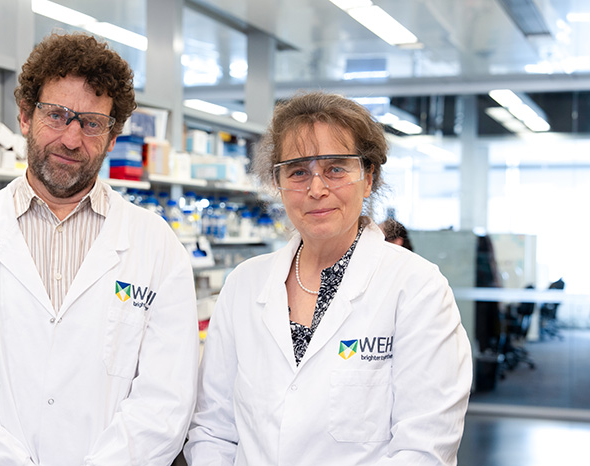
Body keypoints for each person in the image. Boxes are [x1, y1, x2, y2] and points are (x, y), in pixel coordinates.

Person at [0, 32, 199, 465]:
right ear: (25, 117)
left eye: (91, 122)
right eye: (57, 115)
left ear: (112, 135)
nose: (70, 138)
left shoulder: (157, 247)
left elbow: (166, 401)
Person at [184, 92, 472, 465]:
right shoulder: (245, 284)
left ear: (369, 178)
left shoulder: (417, 287)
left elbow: (424, 446)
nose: (317, 189)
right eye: (298, 171)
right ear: (278, 183)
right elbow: (212, 427)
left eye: (336, 168)